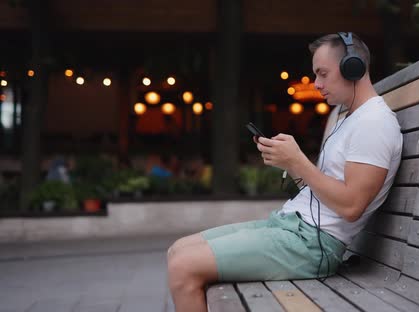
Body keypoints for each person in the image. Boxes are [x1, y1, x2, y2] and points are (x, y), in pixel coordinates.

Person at [166, 32, 403, 312]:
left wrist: (299, 161)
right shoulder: (350, 118)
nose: (316, 84)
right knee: (178, 250)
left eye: (323, 74)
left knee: (183, 267)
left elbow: (351, 206)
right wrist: (289, 164)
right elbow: (323, 193)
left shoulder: (374, 123)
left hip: (312, 244)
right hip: (291, 227)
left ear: (354, 68)